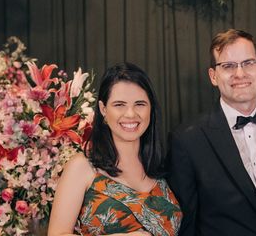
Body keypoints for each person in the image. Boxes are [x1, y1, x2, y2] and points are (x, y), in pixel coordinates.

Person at [168, 29, 256, 236]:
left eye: (248, 63)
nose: (240, 73)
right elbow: (185, 223)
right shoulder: (187, 140)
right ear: (213, 76)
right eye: (228, 66)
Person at [48, 62, 182, 236]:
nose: (131, 114)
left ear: (151, 109)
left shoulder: (163, 167)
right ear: (103, 109)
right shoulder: (82, 167)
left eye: (140, 104)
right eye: (119, 105)